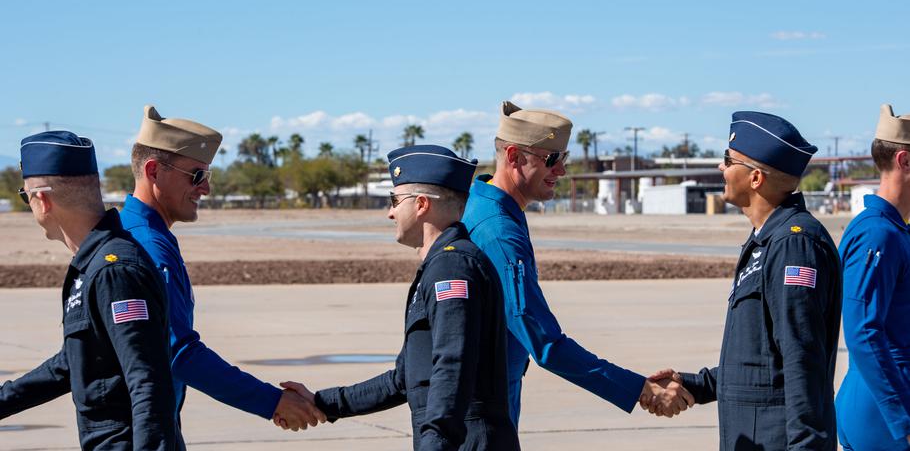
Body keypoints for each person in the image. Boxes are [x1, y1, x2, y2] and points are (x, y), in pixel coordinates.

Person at [460, 101, 692, 426]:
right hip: (483, 415)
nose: (561, 171)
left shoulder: (485, 206)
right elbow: (545, 343)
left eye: (564, 158)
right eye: (551, 159)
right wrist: (638, 387)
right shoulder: (498, 232)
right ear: (513, 157)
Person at [291, 144, 520, 450]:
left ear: (422, 204)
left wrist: (436, 442)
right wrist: (325, 402)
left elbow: (454, 362)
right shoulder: (442, 264)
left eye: (395, 201)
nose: (390, 212)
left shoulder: (452, 266)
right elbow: (404, 379)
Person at [119, 105, 324, 440]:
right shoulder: (148, 245)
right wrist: (272, 401)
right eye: (197, 175)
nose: (205, 189)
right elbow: (178, 351)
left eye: (208, 176)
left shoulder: (127, 230)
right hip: (142, 433)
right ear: (154, 171)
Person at [646, 111, 842, 450]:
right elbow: (762, 364)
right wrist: (694, 385)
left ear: (755, 179)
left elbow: (801, 359)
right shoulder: (766, 241)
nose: (721, 168)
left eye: (728, 160)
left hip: (778, 439)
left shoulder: (793, 244)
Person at [0, 131, 176, 450]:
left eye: (25, 197)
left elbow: (148, 381)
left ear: (42, 200)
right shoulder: (93, 264)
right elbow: (73, 363)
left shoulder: (114, 269)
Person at [836, 104, 910, 451]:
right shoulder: (877, 234)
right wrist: (900, 419)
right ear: (904, 161)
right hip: (885, 409)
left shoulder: (893, 230)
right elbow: (863, 330)